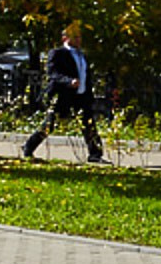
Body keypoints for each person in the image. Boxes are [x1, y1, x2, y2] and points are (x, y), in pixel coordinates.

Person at [23, 26, 103, 163]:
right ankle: (28, 147)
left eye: (79, 37)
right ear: (65, 38)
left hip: (81, 95)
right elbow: (53, 73)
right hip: (63, 95)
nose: (79, 40)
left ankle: (95, 154)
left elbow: (86, 75)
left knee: (89, 124)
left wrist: (89, 93)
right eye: (75, 37)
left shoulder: (82, 55)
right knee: (50, 123)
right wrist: (68, 81)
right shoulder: (58, 53)